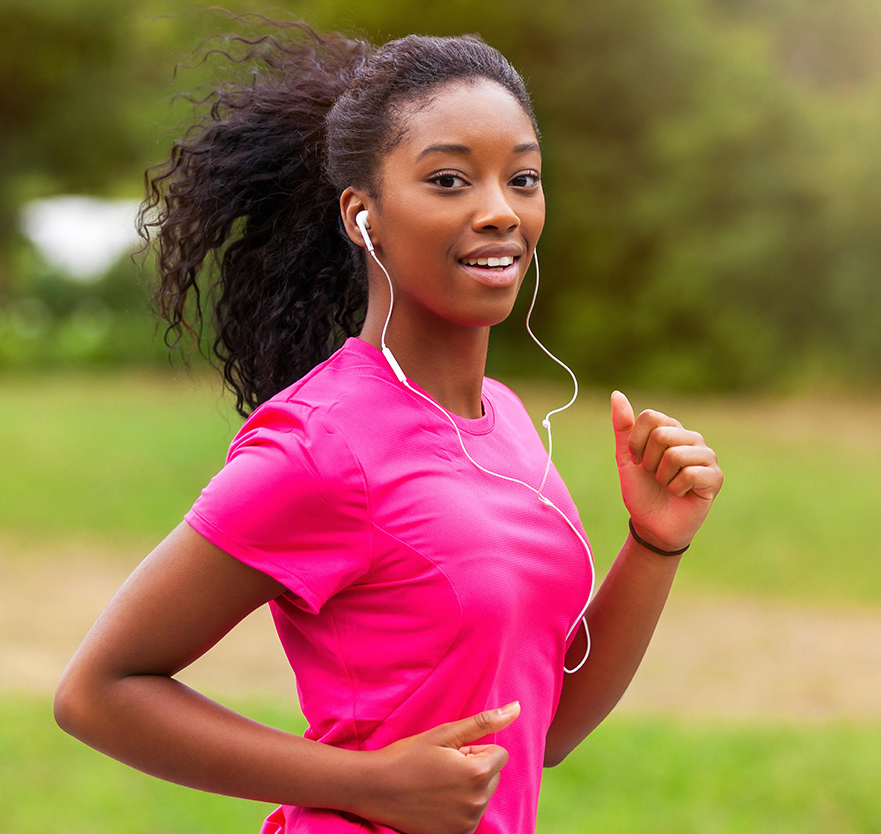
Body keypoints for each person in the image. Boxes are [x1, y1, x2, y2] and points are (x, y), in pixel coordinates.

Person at [54, 21, 723, 834]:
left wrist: (655, 543)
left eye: (523, 178)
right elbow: (99, 691)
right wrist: (368, 784)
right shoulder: (321, 444)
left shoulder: (506, 420)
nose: (498, 212)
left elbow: (543, 729)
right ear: (361, 215)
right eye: (449, 180)